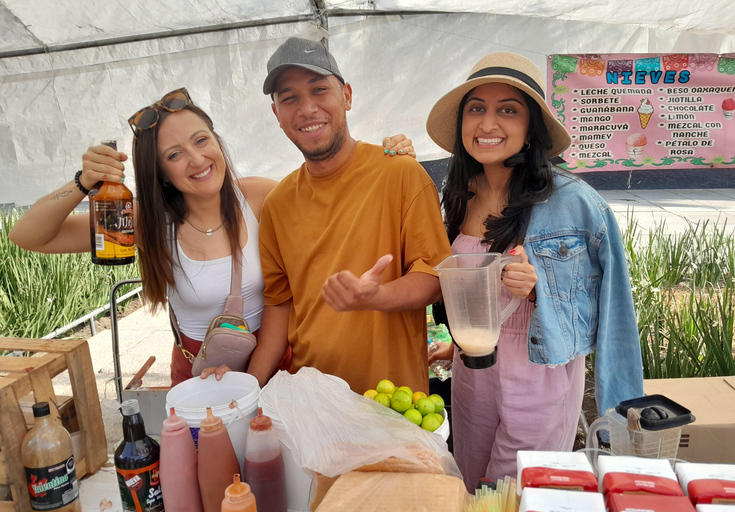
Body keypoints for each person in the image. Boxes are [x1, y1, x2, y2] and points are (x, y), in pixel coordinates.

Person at [8, 87, 415, 386]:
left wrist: (389, 158)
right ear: (161, 173)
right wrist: (82, 183)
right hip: (199, 370)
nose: (197, 159)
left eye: (201, 140)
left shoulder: (259, 196)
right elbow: (29, 236)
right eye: (174, 154)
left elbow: (340, 194)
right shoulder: (147, 226)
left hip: (273, 363)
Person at [424, 52, 643, 491]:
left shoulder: (575, 202)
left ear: (531, 129)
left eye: (508, 110)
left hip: (541, 370)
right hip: (474, 368)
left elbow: (616, 305)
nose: (488, 124)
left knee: (522, 486)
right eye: (476, 109)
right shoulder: (456, 195)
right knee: (471, 482)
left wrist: (538, 291)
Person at [244, 37, 453, 395]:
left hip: (393, 400)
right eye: (289, 98)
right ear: (277, 115)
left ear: (347, 96)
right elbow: (278, 308)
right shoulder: (278, 204)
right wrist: (245, 392)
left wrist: (375, 297)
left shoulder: (400, 174)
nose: (307, 108)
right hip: (314, 400)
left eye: (319, 89)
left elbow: (435, 277)